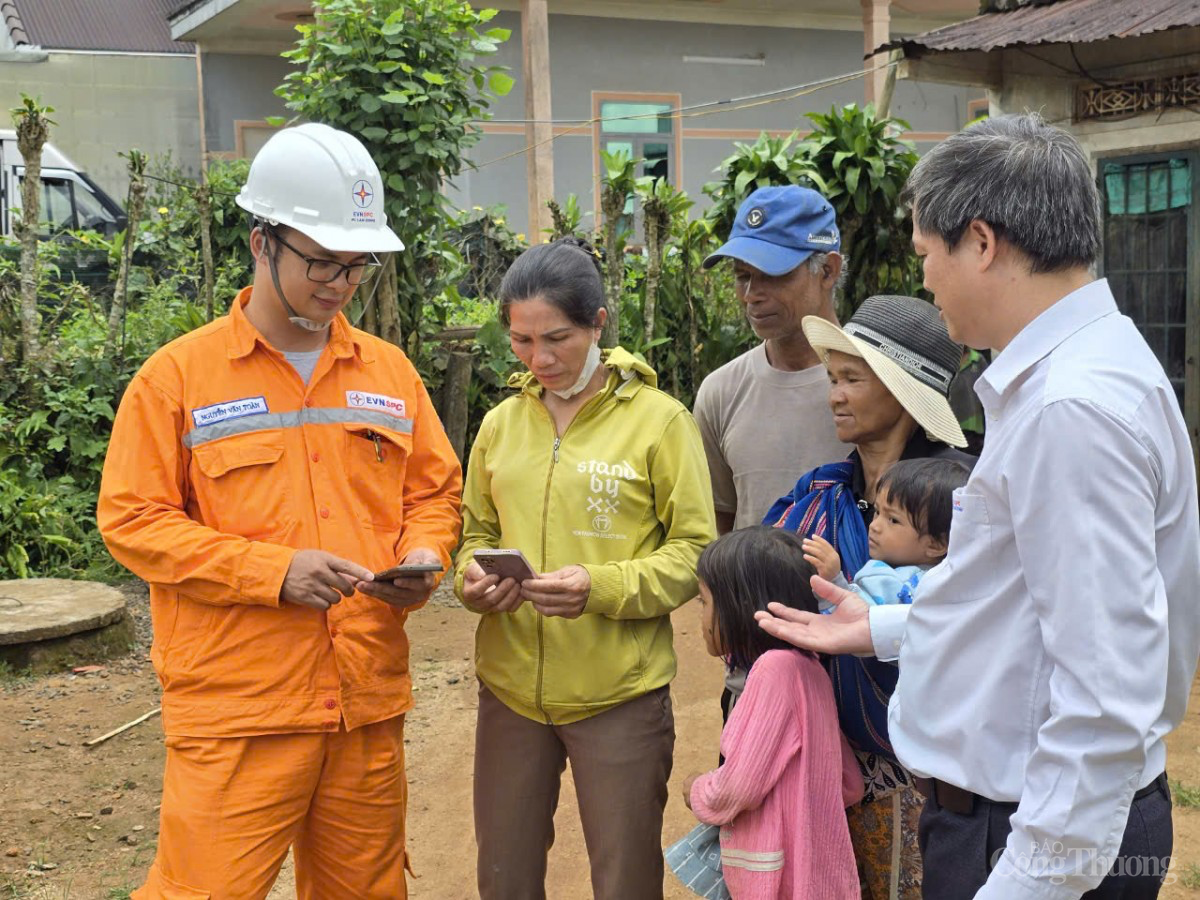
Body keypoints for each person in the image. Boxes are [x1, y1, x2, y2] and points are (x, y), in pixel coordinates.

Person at [757, 114, 1200, 899]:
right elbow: (1026, 604)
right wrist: (893, 625)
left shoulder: (1071, 409)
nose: (924, 278)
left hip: (1031, 837)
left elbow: (1104, 697)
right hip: (1018, 820)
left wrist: (1026, 882)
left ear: (983, 242)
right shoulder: (1083, 375)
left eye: (927, 254)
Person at [97, 123, 463, 899]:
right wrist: (273, 571)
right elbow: (132, 520)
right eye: (319, 261)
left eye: (354, 265)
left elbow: (433, 492)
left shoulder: (389, 374)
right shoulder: (178, 379)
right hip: (240, 713)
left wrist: (426, 557)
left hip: (363, 703)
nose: (338, 282)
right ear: (261, 242)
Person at [454, 237, 717, 900]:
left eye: (558, 338)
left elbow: (692, 553)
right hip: (511, 693)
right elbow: (476, 534)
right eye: (520, 341)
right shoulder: (501, 424)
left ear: (599, 323)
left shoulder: (661, 423)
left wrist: (598, 587)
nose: (539, 359)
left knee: (625, 881)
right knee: (504, 878)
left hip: (620, 697)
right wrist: (473, 583)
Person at [764, 294, 974, 900]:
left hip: (938, 776)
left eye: (852, 378)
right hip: (827, 762)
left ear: (906, 390)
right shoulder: (822, 491)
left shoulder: (968, 499)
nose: (834, 394)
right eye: (832, 379)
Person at [676, 526, 863, 900]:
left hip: (776, 882)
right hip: (822, 877)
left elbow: (737, 788)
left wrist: (696, 789)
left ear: (739, 608)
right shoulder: (811, 669)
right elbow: (849, 783)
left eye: (704, 602)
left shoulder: (773, 671)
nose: (702, 617)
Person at [694, 184, 850, 536]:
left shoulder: (880, 384)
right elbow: (717, 526)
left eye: (773, 275)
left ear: (828, 271)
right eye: (742, 277)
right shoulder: (720, 392)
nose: (752, 296)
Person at [802, 458, 970, 607]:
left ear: (936, 544)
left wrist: (833, 580)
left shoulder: (891, 581)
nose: (875, 526)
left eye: (893, 520)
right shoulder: (954, 585)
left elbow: (857, 624)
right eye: (877, 511)